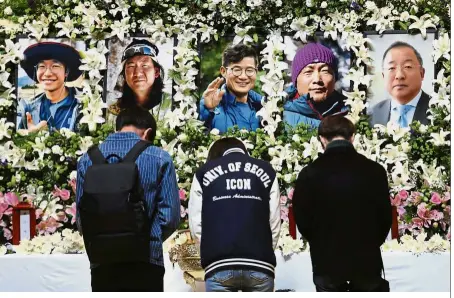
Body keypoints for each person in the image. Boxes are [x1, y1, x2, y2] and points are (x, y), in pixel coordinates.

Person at [75, 106, 180, 292]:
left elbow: (82, 218)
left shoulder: (87, 160)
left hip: (103, 262)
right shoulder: (159, 157)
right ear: (148, 133)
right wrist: (146, 238)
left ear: (118, 128)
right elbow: (170, 217)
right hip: (146, 261)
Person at [292, 115, 392, 292]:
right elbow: (385, 217)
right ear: (352, 137)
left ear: (322, 139)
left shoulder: (309, 173)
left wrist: (319, 242)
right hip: (366, 258)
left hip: (326, 259)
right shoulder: (374, 170)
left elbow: (302, 218)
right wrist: (370, 241)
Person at [188, 137, 281, 292]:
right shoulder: (267, 170)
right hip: (260, 263)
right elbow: (274, 220)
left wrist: (209, 250)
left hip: (219, 263)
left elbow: (196, 222)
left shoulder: (203, 173)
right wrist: (265, 250)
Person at [17, 42, 83, 132]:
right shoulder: (27, 107)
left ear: (66, 72)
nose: (47, 73)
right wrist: (30, 137)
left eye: (55, 66)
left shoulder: (83, 105)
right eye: (42, 66)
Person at [199, 44, 263, 134]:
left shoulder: (264, 106)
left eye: (249, 70)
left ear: (256, 72)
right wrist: (207, 110)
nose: (243, 76)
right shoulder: (212, 105)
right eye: (237, 70)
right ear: (223, 71)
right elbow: (196, 136)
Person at [283, 42, 348, 129]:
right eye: (308, 72)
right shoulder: (277, 118)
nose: (317, 79)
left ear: (334, 78)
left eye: (325, 71)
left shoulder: (351, 113)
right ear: (296, 81)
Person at [369, 41, 430, 128]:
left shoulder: (440, 110)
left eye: (407, 67)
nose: (399, 75)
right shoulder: (372, 114)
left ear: (422, 73)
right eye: (391, 68)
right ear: (383, 76)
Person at [109, 39, 165, 115]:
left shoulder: (173, 106)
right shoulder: (112, 111)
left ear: (156, 72)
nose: (138, 73)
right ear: (124, 75)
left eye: (144, 65)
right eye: (131, 66)